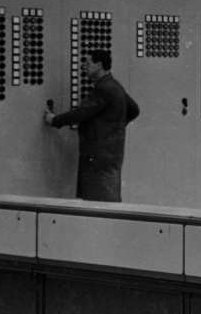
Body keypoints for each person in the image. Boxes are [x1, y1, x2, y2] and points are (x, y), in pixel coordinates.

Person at [43, 48, 139, 202]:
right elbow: (134, 109)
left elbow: (81, 113)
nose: (84, 67)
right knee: (106, 194)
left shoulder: (104, 89)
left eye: (87, 63)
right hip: (111, 151)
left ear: (99, 65)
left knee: (97, 199)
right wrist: (113, 128)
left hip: (97, 154)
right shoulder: (115, 86)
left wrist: (54, 120)